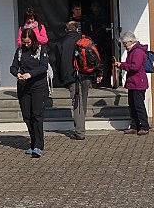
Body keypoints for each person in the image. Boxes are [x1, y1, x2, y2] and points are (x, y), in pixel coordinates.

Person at [59, 21, 102, 140]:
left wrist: (63, 79)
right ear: (77, 29)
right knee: (83, 101)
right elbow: (95, 56)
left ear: (66, 29)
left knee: (77, 104)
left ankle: (79, 132)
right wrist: (98, 73)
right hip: (86, 75)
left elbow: (59, 63)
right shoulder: (86, 40)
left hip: (72, 76)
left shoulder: (62, 42)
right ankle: (80, 127)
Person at [10, 29, 50, 158]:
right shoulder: (20, 51)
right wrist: (17, 74)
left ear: (32, 40)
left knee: (36, 115)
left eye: (28, 42)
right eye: (23, 42)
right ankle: (32, 143)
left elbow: (43, 67)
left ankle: (38, 145)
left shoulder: (40, 50)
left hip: (38, 86)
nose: (26, 44)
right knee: (27, 116)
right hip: (23, 87)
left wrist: (30, 74)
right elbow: (13, 67)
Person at [113, 31, 150, 136]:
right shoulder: (132, 51)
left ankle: (144, 126)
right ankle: (134, 126)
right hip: (133, 82)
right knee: (132, 105)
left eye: (125, 43)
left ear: (130, 41)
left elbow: (134, 67)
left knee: (139, 106)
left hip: (138, 82)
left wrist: (121, 65)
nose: (124, 45)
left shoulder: (137, 52)